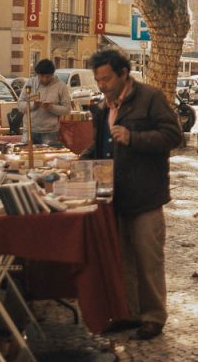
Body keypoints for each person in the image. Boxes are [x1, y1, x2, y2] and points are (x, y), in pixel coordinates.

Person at [85, 48, 182, 339]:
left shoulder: (150, 98)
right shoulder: (103, 108)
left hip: (145, 194)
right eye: (98, 79)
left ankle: (153, 317)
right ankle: (128, 312)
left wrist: (133, 137)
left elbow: (172, 135)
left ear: (123, 74)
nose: (102, 84)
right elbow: (100, 146)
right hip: (113, 196)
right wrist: (78, 161)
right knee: (122, 257)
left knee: (147, 259)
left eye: (106, 78)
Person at [18, 59, 71, 146]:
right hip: (29, 130)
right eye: (41, 76)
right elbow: (20, 105)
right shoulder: (30, 83)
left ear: (52, 75)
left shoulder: (61, 86)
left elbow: (67, 109)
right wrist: (33, 105)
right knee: (26, 156)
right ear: (37, 74)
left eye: (48, 77)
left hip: (50, 132)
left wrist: (51, 107)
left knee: (48, 157)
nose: (44, 79)